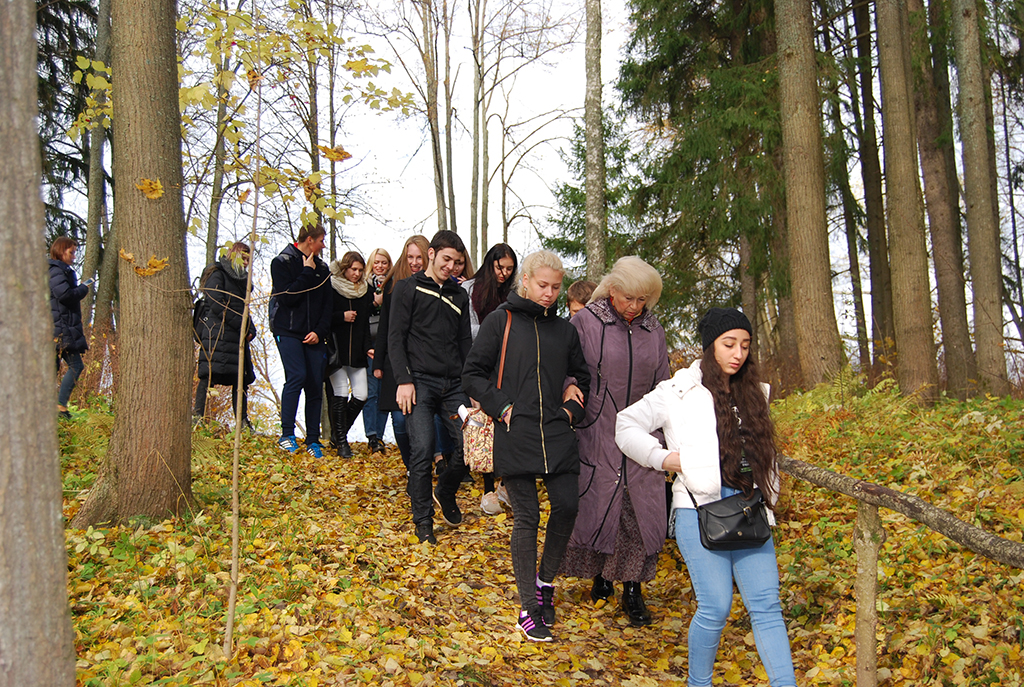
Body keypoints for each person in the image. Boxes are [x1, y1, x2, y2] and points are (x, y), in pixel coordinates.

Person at [615, 308, 796, 687]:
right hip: (698, 510)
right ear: (710, 345)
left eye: (745, 345)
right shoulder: (679, 390)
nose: (738, 353)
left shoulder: (755, 393)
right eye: (729, 344)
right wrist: (665, 458)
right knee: (715, 606)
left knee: (767, 606)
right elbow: (625, 424)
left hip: (749, 508)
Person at [463, 250, 590, 641]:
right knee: (527, 516)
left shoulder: (565, 331)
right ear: (526, 281)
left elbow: (582, 376)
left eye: (555, 287)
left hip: (556, 431)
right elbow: (472, 373)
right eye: (542, 285)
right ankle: (528, 610)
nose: (549, 293)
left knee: (567, 506)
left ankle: (545, 582)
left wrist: (570, 408)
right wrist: (502, 407)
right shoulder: (500, 321)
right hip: (514, 431)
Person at [559, 256, 670, 627]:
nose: (635, 306)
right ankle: (601, 575)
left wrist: (664, 431)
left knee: (637, 511)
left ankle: (633, 589)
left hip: (642, 432)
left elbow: (663, 385)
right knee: (600, 505)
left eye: (643, 299)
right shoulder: (586, 322)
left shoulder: (654, 330)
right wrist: (570, 391)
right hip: (598, 427)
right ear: (612, 289)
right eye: (629, 298)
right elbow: (566, 368)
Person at [388, 230, 473, 545]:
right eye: (446, 259)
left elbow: (465, 343)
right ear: (432, 254)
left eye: (457, 262)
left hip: (454, 386)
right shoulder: (407, 288)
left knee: (468, 447)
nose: (451, 266)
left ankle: (445, 490)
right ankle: (423, 522)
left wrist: (472, 386)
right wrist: (404, 380)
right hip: (419, 383)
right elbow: (395, 337)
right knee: (423, 450)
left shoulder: (459, 295)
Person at [461, 243, 518, 513]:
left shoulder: (515, 292)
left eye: (509, 268)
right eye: (499, 267)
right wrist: (494, 329)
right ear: (489, 264)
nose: (504, 273)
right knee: (484, 425)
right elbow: (466, 328)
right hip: (480, 362)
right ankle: (487, 490)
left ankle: (505, 485)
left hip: (507, 365)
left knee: (506, 423)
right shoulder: (470, 289)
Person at [269, 221, 332, 458]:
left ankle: (313, 440)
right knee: (297, 376)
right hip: (287, 331)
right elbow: (287, 298)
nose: (323, 245)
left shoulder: (323, 269)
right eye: (321, 241)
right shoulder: (282, 262)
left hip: (314, 335)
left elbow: (327, 305)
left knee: (315, 384)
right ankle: (287, 435)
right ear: (309, 240)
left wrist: (319, 332)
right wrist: (306, 272)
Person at [373, 235, 430, 468]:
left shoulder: (433, 287)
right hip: (394, 360)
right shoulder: (393, 286)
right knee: (398, 420)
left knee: (419, 419)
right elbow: (385, 326)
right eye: (410, 257)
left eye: (419, 257)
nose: (415, 262)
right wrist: (378, 362)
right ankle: (411, 467)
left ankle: (422, 465)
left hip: (423, 361)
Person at [193, 241, 256, 429]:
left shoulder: (244, 282)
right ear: (234, 255)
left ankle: (242, 423)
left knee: (241, 379)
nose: (246, 263)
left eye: (248, 260)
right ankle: (198, 418)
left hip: (237, 337)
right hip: (216, 334)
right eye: (243, 258)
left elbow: (244, 309)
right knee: (208, 375)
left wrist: (250, 329)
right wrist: (241, 326)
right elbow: (216, 303)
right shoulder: (217, 273)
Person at [326, 251, 374, 457]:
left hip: (357, 353)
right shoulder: (331, 287)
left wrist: (368, 346)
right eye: (353, 269)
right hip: (336, 351)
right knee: (340, 393)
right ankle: (342, 444)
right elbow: (323, 317)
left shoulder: (365, 291)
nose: (357, 274)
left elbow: (365, 324)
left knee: (362, 395)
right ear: (344, 268)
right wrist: (341, 316)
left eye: (360, 270)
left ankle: (337, 435)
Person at [48, 237, 90, 419]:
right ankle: (60, 407)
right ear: (60, 251)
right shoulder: (56, 270)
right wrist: (83, 288)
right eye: (71, 252)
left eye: (75, 252)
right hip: (60, 328)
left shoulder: (57, 270)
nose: (74, 256)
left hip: (58, 327)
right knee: (75, 365)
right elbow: (64, 295)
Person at [363, 248, 392, 454]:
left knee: (384, 394)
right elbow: (360, 314)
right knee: (371, 392)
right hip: (370, 345)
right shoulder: (363, 286)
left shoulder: (392, 286)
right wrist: (375, 302)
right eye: (377, 262)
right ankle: (371, 435)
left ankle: (379, 436)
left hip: (388, 345)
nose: (380, 266)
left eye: (384, 262)